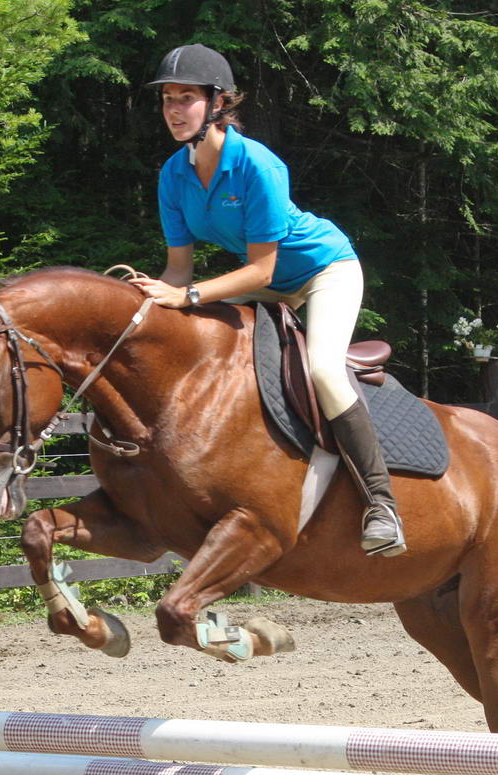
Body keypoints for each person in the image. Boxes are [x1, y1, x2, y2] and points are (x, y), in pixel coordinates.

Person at [131, 43, 406, 557]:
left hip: (324, 270)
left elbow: (261, 268)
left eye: (185, 97)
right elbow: (177, 271)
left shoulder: (258, 165)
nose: (173, 109)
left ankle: (381, 502)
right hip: (264, 279)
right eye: (167, 98)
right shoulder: (173, 174)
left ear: (217, 103)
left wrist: (186, 295)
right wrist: (147, 304)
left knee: (323, 368)